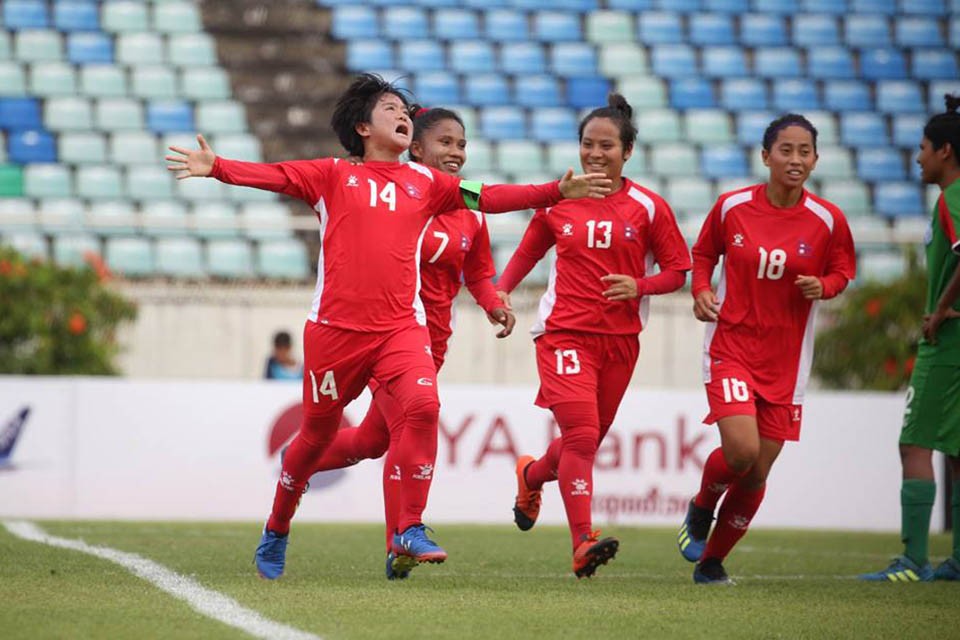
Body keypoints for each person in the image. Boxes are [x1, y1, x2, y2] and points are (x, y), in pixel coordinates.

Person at [165, 73, 611, 580]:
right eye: (389, 109)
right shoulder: (332, 176)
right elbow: (275, 175)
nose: (402, 116)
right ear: (362, 126)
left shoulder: (429, 184)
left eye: (404, 110)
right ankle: (278, 523)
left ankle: (409, 528)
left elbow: (484, 196)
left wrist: (555, 190)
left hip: (401, 328)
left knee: (423, 408)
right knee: (314, 438)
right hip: (335, 332)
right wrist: (217, 167)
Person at [302, 105, 517, 580]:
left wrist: (493, 303)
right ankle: (402, 538)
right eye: (445, 142)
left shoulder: (467, 209)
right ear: (415, 148)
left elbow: (477, 272)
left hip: (432, 342)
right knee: (409, 426)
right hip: (388, 334)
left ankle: (304, 460)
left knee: (373, 441)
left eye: (461, 143)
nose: (456, 152)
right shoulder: (400, 194)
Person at [497, 94, 692, 578]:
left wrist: (639, 286)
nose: (595, 154)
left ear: (628, 152)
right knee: (583, 436)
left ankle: (532, 475)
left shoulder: (649, 207)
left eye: (606, 146)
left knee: (582, 443)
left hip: (621, 342)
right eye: (588, 144)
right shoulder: (562, 197)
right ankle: (583, 540)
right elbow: (528, 252)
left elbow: (679, 270)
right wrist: (499, 292)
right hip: (563, 334)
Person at [676, 113, 857, 584]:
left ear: (816, 159)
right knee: (740, 450)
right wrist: (700, 291)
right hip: (732, 345)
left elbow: (843, 270)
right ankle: (700, 506)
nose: (795, 160)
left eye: (804, 152)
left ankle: (712, 562)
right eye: (786, 150)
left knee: (757, 472)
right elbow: (702, 255)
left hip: (786, 360)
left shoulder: (828, 219)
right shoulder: (733, 207)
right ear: (766, 156)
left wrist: (826, 284)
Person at [860, 95, 960, 583]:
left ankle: (913, 560)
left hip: (949, 342)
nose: (918, 157)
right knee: (957, 450)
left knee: (915, 443)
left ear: (945, 151)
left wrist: (940, 311)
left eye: (923, 147)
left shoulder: (953, 198)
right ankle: (957, 561)